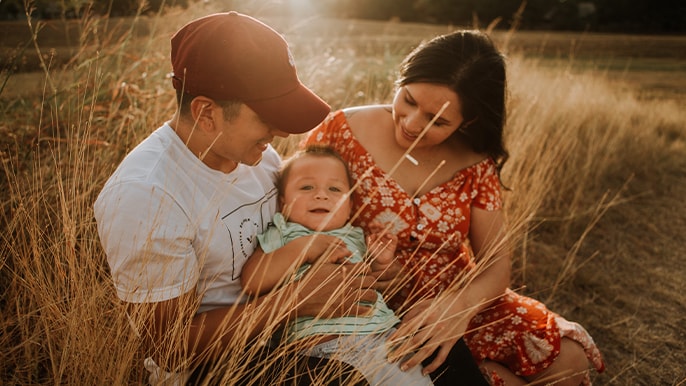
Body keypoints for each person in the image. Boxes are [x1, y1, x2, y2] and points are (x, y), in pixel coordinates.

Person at [304, 30, 606, 385]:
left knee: (568, 363)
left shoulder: (476, 161)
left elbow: (496, 265)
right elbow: (294, 210)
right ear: (401, 79)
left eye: (438, 120)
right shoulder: (341, 131)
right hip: (370, 305)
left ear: (470, 121)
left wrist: (457, 308)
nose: (413, 123)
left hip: (459, 300)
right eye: (409, 99)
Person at [94, 12, 378, 385]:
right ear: (206, 112)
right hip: (217, 366)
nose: (279, 131)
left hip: (299, 331)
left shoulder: (259, 157)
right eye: (267, 117)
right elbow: (169, 348)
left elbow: (288, 235)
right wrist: (294, 300)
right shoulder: (145, 196)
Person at [240, 145, 432, 386]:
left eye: (334, 189)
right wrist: (305, 247)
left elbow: (377, 286)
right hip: (320, 351)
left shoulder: (354, 235)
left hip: (384, 341)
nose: (321, 195)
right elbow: (253, 281)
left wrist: (382, 261)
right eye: (306, 187)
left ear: (350, 205)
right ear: (283, 203)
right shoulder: (283, 233)